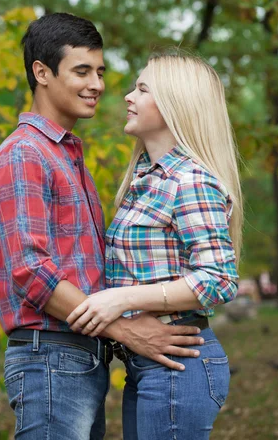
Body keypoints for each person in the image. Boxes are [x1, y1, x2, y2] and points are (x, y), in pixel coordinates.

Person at [0, 16, 202, 440]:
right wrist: (123, 328)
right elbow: (31, 271)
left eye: (100, 72)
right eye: (81, 71)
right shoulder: (24, 154)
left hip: (79, 355)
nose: (97, 84)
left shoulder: (65, 153)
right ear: (41, 73)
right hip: (50, 355)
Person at [67, 51, 243, 440]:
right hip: (148, 365)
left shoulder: (190, 181)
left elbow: (219, 280)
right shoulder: (146, 179)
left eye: (142, 88)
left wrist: (122, 300)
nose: (127, 96)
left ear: (175, 104)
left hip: (179, 368)